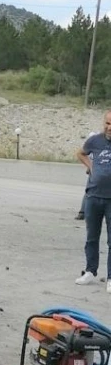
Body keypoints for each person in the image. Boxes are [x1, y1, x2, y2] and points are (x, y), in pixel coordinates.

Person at [75, 112, 111, 291]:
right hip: (93, 196)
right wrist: (91, 166)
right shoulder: (94, 141)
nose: (109, 127)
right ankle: (90, 271)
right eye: (107, 123)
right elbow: (81, 153)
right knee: (92, 237)